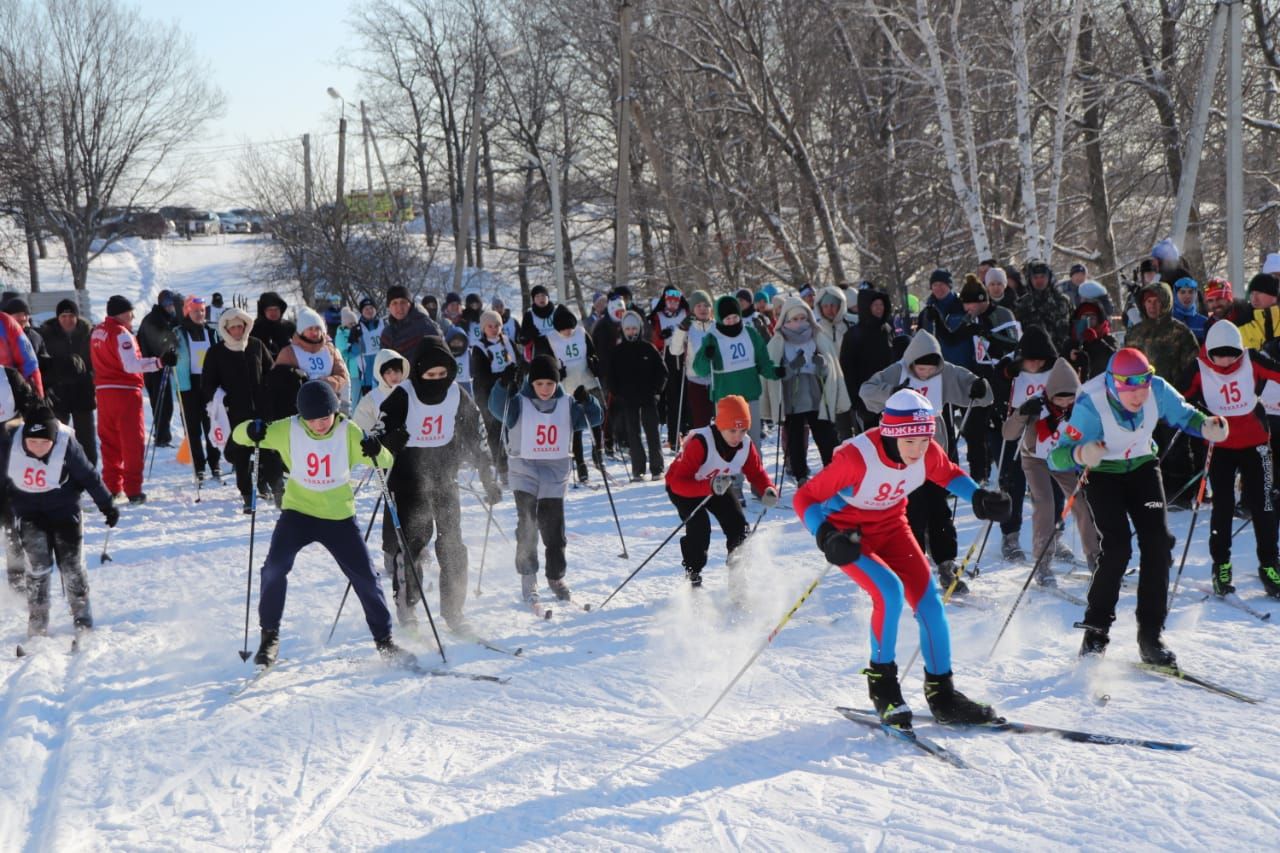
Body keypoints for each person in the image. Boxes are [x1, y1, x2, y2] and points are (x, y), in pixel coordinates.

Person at [794, 389, 1009, 726]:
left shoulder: (925, 452)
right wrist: (824, 536)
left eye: (925, 440)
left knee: (931, 604)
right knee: (889, 593)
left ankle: (943, 694)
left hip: (893, 528)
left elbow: (948, 473)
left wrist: (979, 497)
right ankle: (883, 689)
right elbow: (805, 498)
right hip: (849, 536)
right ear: (891, 434)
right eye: (911, 442)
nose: (919, 450)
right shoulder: (856, 459)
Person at [1049, 348, 1227, 665]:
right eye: (1131, 389)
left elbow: (1185, 414)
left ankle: (1150, 635)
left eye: (1143, 386)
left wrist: (1207, 425)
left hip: (1142, 465)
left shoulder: (1156, 389)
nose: (1139, 396)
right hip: (1103, 473)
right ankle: (1096, 631)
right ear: (1114, 384)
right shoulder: (1092, 404)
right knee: (1117, 548)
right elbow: (1057, 455)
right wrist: (1081, 455)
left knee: (1158, 544)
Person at [233, 381, 412, 669]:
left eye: (325, 417)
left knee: (366, 577)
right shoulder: (287, 429)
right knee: (274, 568)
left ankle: (385, 641)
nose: (319, 425)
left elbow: (384, 460)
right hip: (298, 514)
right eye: (312, 419)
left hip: (338, 517)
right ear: (302, 416)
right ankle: (269, 638)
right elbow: (240, 435)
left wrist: (376, 447)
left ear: (335, 411)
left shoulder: (348, 431)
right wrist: (251, 429)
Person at [377, 337, 501, 631]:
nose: (436, 381)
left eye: (442, 375)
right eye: (430, 376)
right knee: (412, 548)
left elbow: (477, 435)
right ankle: (408, 607)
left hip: (444, 478)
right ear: (418, 372)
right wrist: (388, 442)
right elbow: (374, 438)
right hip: (408, 483)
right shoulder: (403, 395)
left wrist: (487, 475)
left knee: (452, 546)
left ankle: (453, 611)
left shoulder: (456, 395)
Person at [860, 329, 993, 593]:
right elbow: (867, 391)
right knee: (913, 509)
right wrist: (892, 393)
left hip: (935, 448)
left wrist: (980, 387)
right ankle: (913, 563)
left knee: (939, 508)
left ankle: (945, 562)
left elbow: (977, 389)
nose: (925, 374)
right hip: (902, 451)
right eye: (920, 368)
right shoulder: (897, 372)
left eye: (930, 368)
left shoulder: (946, 372)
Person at [487, 355, 603, 605]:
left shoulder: (567, 404)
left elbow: (594, 419)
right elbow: (497, 408)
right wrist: (502, 385)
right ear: (531, 382)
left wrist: (587, 401)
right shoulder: (519, 402)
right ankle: (528, 577)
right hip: (523, 469)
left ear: (557, 383)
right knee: (527, 524)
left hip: (554, 471)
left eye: (550, 384)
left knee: (554, 530)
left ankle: (555, 576)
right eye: (539, 384)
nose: (544, 390)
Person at [0, 405, 117, 639]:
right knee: (37, 568)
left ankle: (82, 617)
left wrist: (107, 504)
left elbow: (89, 475)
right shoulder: (10, 445)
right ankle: (38, 621)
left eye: (45, 443)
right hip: (29, 515)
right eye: (33, 442)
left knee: (72, 566)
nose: (39, 448)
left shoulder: (67, 445)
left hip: (66, 514)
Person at [1184, 321, 1280, 599]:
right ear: (1208, 352)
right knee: (1223, 505)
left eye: (1231, 354)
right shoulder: (1198, 367)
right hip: (1220, 445)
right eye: (1219, 354)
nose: (1225, 361)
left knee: (1263, 503)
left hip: (1256, 443)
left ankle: (1269, 564)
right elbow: (1179, 400)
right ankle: (1221, 564)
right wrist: (1200, 421)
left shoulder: (1252, 359)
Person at [665, 395, 778, 593]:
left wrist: (768, 489)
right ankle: (693, 577)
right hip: (685, 488)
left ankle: (738, 579)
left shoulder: (746, 445)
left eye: (743, 430)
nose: (737, 436)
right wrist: (708, 487)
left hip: (717, 485)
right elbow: (677, 483)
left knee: (739, 527)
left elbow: (756, 472)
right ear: (720, 426)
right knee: (700, 529)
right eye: (732, 430)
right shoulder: (700, 443)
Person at [1002, 359, 1100, 585]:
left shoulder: (1081, 408)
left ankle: (1095, 556)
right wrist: (1021, 413)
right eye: (1060, 397)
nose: (1065, 403)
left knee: (1081, 503)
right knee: (1045, 503)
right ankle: (1042, 563)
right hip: (1035, 459)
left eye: (1070, 397)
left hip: (1063, 459)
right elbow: (1008, 434)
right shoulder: (1037, 405)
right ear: (1050, 393)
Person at [90, 295, 174, 504]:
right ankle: (133, 489)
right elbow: (131, 365)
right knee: (132, 442)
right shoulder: (121, 333)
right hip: (124, 391)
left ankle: (111, 486)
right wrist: (159, 362)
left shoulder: (98, 331)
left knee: (110, 442)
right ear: (120, 313)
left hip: (103, 392)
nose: (133, 317)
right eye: (129, 313)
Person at [762, 298, 849, 485]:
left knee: (826, 436)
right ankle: (800, 475)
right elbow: (774, 372)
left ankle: (833, 470)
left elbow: (830, 367)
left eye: (803, 317)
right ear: (785, 320)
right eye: (794, 319)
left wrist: (822, 365)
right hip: (792, 397)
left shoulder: (817, 337)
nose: (799, 322)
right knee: (795, 440)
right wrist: (791, 367)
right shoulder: (779, 342)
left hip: (816, 395)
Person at [201, 307, 276, 513]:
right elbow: (207, 383)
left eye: (240, 326)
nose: (237, 331)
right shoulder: (216, 352)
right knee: (242, 455)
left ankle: (270, 486)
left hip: (261, 409)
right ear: (226, 329)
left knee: (266, 450)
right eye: (232, 327)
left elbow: (270, 371)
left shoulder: (256, 345)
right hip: (234, 412)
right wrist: (220, 399)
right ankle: (247, 494)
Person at [693, 295, 779, 453]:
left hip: (750, 394)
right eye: (727, 318)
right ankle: (733, 476)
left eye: (735, 317)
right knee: (730, 441)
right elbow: (700, 369)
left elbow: (762, 360)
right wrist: (707, 355)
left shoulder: (750, 334)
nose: (732, 321)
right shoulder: (712, 337)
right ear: (719, 319)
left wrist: (775, 372)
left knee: (752, 441)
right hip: (725, 397)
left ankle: (756, 475)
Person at [534, 305, 604, 485]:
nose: (568, 331)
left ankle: (599, 455)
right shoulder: (550, 340)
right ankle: (580, 464)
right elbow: (547, 363)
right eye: (564, 328)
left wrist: (595, 363)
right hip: (567, 388)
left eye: (570, 327)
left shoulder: (581, 333)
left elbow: (593, 352)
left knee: (596, 420)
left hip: (587, 383)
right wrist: (557, 374)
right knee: (576, 427)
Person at [37, 300, 96, 466]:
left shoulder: (87, 334)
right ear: (58, 318)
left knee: (86, 439)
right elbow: (43, 364)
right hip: (58, 394)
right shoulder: (46, 335)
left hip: (83, 392)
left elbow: (94, 361)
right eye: (63, 316)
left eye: (71, 316)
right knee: (58, 437)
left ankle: (88, 472)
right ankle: (58, 471)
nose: (68, 319)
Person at [611, 311, 667, 481]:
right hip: (628, 400)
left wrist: (657, 391)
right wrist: (617, 393)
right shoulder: (618, 351)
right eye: (628, 329)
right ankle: (638, 469)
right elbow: (612, 377)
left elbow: (663, 372)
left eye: (634, 328)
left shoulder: (648, 348)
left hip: (648, 397)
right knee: (633, 433)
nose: (631, 332)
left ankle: (657, 468)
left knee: (652, 432)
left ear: (640, 329)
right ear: (623, 330)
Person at [173, 296, 222, 482]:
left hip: (209, 383)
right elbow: (167, 350)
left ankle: (215, 464)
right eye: (195, 311)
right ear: (187, 312)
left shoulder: (211, 332)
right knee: (193, 429)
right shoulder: (179, 333)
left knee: (212, 426)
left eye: (202, 310)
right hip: (188, 384)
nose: (200, 314)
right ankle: (199, 466)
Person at [271, 307, 350, 417]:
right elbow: (278, 379)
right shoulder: (289, 352)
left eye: (317, 328)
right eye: (310, 329)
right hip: (299, 409)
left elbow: (342, 376)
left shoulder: (330, 350)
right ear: (302, 331)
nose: (314, 332)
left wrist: (323, 383)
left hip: (330, 406)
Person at [470, 309, 518, 484]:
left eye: (497, 325)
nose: (494, 328)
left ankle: (518, 467)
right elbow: (480, 376)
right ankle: (502, 469)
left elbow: (517, 363)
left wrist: (515, 376)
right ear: (483, 328)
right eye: (490, 326)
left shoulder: (508, 342)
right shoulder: (479, 348)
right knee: (495, 434)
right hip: (489, 396)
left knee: (513, 430)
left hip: (510, 393)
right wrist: (502, 378)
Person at [841, 285, 895, 431]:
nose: (879, 308)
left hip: (889, 393)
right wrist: (856, 401)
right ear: (866, 307)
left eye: (881, 304)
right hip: (865, 398)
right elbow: (848, 370)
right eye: (875, 305)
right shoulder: (853, 334)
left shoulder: (887, 330)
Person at [668, 290, 716, 432]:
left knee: (721, 422)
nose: (702, 309)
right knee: (701, 423)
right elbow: (675, 351)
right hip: (696, 381)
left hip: (718, 380)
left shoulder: (717, 326)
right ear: (692, 309)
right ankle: (703, 450)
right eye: (698, 306)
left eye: (706, 305)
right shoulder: (688, 328)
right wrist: (681, 330)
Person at [137, 290, 179, 447]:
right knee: (162, 402)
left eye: (172, 304)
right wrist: (166, 351)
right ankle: (162, 437)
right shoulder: (154, 319)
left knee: (165, 402)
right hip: (153, 366)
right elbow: (155, 342)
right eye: (167, 304)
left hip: (161, 364)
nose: (170, 307)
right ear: (162, 304)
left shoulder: (168, 318)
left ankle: (162, 434)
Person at [649, 287, 688, 448]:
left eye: (676, 300)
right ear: (665, 300)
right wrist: (660, 337)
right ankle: (674, 437)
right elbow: (653, 339)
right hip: (668, 358)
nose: (672, 303)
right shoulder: (657, 316)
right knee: (672, 399)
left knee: (686, 398)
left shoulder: (685, 313)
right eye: (669, 300)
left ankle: (688, 433)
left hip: (685, 357)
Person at [1016, 260, 1073, 352]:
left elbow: (1074, 328)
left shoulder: (1063, 301)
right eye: (1035, 277)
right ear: (1029, 279)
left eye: (1042, 276)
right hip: (1035, 357)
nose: (1039, 280)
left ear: (1049, 277)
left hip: (1062, 354)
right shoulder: (1023, 304)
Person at [352, 349, 408, 434]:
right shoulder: (372, 398)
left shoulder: (410, 393)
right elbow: (358, 422)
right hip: (383, 444)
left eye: (397, 371)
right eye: (388, 372)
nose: (393, 375)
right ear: (380, 374)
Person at [380, 285, 441, 360]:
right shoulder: (387, 333)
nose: (399, 307)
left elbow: (440, 353)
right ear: (389, 307)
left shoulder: (425, 325)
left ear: (410, 304)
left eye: (403, 302)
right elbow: (384, 363)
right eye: (394, 303)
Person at [249, 291, 295, 359]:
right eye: (270, 309)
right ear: (264, 311)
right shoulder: (254, 329)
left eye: (276, 309)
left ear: (281, 310)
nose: (273, 312)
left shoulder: (289, 326)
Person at [517, 284, 558, 354]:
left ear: (548, 297)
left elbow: (570, 325)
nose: (541, 298)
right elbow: (522, 338)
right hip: (540, 350)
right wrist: (529, 334)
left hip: (558, 346)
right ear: (533, 300)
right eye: (537, 296)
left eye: (543, 295)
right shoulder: (529, 315)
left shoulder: (557, 311)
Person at [1171, 277, 1207, 344]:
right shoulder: (1168, 320)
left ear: (1196, 294)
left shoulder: (1204, 322)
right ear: (1175, 295)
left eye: (1191, 292)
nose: (1187, 296)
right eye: (1182, 292)